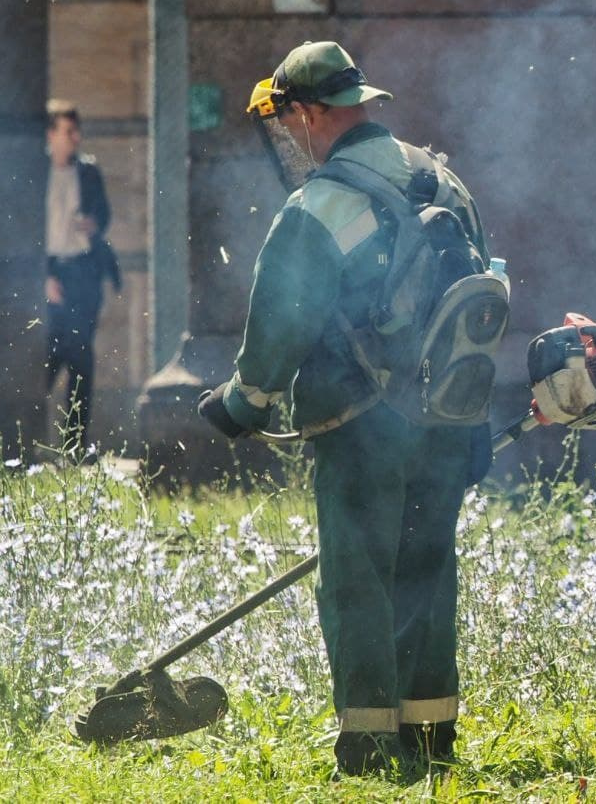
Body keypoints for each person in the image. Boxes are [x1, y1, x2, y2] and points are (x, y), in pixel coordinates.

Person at [197, 41, 492, 776]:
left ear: (311, 113)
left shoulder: (320, 203)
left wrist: (244, 403)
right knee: (428, 569)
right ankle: (431, 740)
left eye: (288, 120)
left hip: (361, 425)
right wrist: (476, 417)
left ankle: (367, 746)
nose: (288, 137)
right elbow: (479, 297)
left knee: (359, 577)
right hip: (449, 420)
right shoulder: (445, 180)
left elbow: (280, 321)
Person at [43, 99, 121, 458]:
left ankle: (73, 446)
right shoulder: (36, 173)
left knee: (81, 360)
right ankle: (20, 441)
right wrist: (42, 277)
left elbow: (103, 213)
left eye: (77, 131)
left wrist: (93, 225)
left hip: (82, 274)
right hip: (49, 273)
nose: (76, 138)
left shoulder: (88, 172)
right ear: (51, 135)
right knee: (42, 359)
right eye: (68, 131)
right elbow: (23, 231)